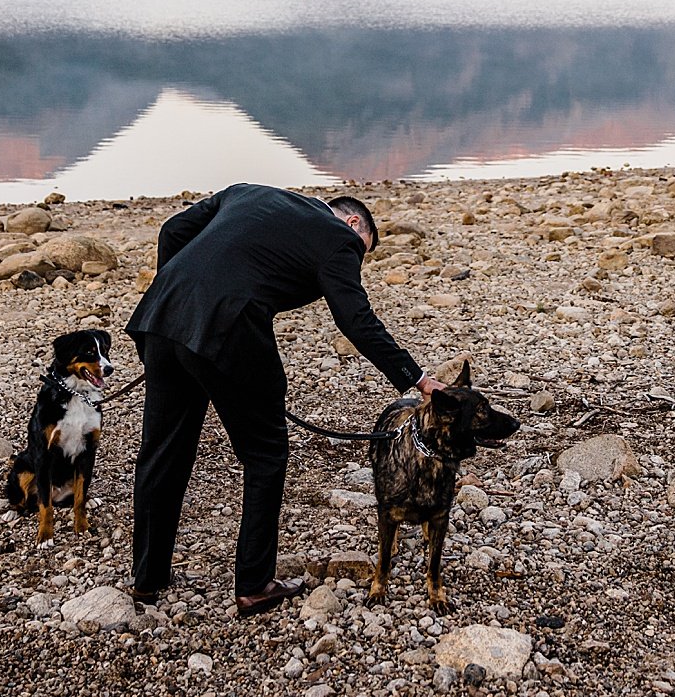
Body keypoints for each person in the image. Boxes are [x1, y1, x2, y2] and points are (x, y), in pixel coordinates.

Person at [125, 182, 444, 617]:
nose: (356, 259)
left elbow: (171, 231)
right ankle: (254, 585)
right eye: (362, 251)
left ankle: (148, 578)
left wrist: (177, 296)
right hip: (229, 329)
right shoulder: (340, 237)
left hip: (161, 318)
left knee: (162, 453)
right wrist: (418, 379)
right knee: (265, 453)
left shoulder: (248, 193)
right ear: (354, 223)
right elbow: (355, 319)